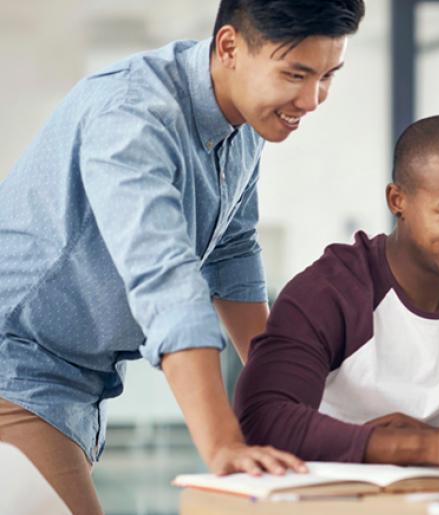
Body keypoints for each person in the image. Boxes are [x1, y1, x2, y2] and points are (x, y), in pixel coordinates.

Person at [0, 1, 365, 512]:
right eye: (295, 74)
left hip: (75, 383)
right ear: (230, 47)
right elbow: (165, 279)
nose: (312, 99)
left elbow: (232, 253)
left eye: (328, 75)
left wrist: (283, 391)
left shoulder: (243, 122)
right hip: (15, 367)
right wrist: (223, 445)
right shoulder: (131, 116)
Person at [234, 115, 439, 465]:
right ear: (398, 201)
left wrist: (437, 443)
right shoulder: (329, 293)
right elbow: (263, 417)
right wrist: (427, 448)